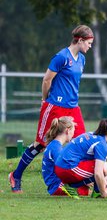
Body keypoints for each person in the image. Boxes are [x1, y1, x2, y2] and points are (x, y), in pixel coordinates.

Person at [9, 25, 94, 193]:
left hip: (73, 108)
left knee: (82, 143)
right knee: (41, 144)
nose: (90, 46)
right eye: (89, 43)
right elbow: (47, 80)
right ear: (81, 40)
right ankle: (16, 176)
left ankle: (80, 184)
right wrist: (45, 99)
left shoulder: (82, 59)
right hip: (55, 106)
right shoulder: (61, 57)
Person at [42, 116, 89, 196]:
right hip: (59, 187)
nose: (73, 134)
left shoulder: (54, 145)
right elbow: (64, 170)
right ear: (67, 131)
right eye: (73, 131)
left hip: (55, 187)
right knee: (88, 180)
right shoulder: (56, 148)